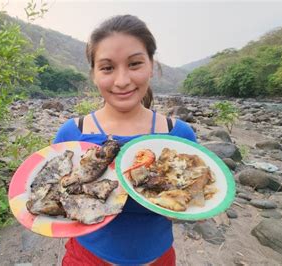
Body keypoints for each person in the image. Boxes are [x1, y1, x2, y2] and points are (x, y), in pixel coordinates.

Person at [53, 14, 196, 266]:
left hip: (158, 259)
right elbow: (58, 194)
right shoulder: (72, 134)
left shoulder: (179, 136)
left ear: (151, 65)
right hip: (86, 258)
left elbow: (191, 199)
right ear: (94, 74)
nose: (122, 81)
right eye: (108, 67)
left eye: (134, 64)